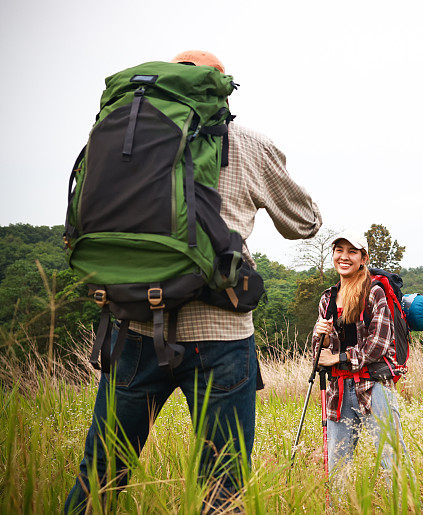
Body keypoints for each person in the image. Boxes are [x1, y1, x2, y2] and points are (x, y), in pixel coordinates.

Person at [64, 50, 322, 513]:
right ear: (218, 86)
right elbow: (305, 223)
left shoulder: (117, 135)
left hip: (134, 326)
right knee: (222, 486)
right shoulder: (247, 143)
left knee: (100, 475)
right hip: (220, 335)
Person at [312, 231, 412, 495]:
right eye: (339, 250)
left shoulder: (375, 292)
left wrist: (340, 357)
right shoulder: (327, 298)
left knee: (393, 457)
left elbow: (379, 344)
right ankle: (338, 508)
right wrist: (319, 337)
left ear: (363, 258)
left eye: (352, 252)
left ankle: (406, 505)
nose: (344, 257)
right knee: (337, 465)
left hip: (374, 385)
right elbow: (319, 356)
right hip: (338, 390)